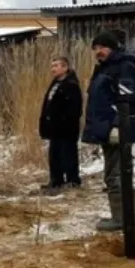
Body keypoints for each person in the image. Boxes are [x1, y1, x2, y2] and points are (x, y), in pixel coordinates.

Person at [82, 30, 135, 231]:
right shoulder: (105, 68)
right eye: (96, 48)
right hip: (107, 131)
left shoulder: (124, 67)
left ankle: (123, 220)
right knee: (114, 174)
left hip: (118, 131)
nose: (98, 52)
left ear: (113, 47)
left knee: (118, 175)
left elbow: (126, 100)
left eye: (102, 47)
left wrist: (118, 125)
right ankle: (124, 217)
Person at [38, 55, 82, 193]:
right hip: (54, 127)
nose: (53, 69)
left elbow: (75, 108)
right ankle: (56, 180)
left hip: (67, 127)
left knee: (68, 154)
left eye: (56, 66)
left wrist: (65, 121)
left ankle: (72, 181)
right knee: (55, 154)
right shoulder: (55, 84)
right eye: (52, 66)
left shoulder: (71, 85)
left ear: (65, 67)